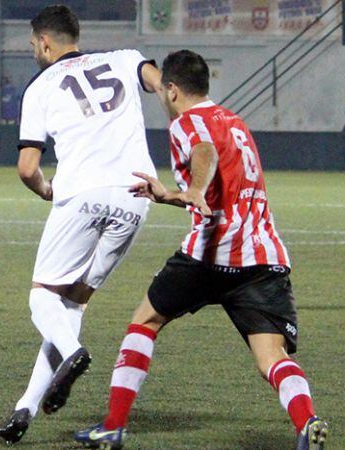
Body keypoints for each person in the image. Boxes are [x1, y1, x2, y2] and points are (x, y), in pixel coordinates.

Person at [74, 50, 329, 450]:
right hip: (262, 258)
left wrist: (191, 189)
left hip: (209, 254)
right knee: (271, 358)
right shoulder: (236, 121)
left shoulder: (186, 123)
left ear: (172, 90)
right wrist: (174, 196)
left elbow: (203, 151)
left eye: (162, 89)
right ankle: (307, 421)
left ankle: (112, 426)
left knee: (145, 321)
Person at [0, 5, 160, 445]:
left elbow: (27, 168)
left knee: (41, 300)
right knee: (72, 305)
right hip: (136, 197)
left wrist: (50, 191)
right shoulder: (125, 57)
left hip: (81, 195)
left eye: (33, 45)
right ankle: (23, 411)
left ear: (45, 43)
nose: (34, 52)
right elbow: (161, 84)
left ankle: (73, 354)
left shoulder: (40, 86)